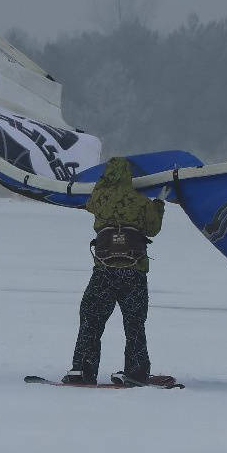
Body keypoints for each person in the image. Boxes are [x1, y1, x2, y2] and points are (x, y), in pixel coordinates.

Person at [63, 157, 166, 386]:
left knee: (91, 318)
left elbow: (89, 203)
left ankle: (82, 368)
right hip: (134, 271)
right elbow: (153, 228)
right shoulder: (140, 202)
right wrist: (158, 204)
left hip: (104, 271)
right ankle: (136, 371)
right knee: (134, 323)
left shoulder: (99, 198)